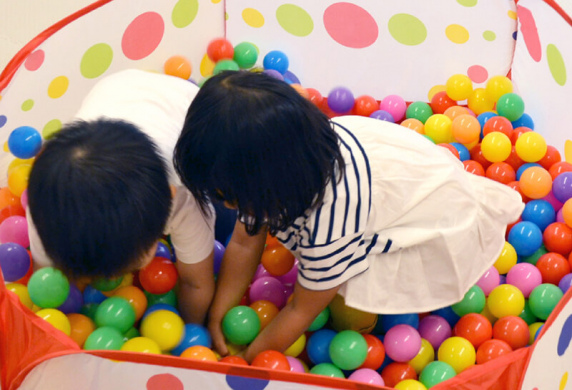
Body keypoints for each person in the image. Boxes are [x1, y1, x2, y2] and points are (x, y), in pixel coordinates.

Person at [173, 70, 525, 362]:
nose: (228, 206)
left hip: (436, 218)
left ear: (266, 186)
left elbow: (301, 307)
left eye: (228, 197)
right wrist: (218, 315)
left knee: (345, 307)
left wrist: (246, 363)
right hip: (389, 182)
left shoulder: (328, 225)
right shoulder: (287, 156)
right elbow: (243, 242)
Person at [27, 69, 215, 325]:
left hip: (189, 107)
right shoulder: (47, 210)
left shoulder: (185, 197)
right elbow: (46, 281)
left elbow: (196, 283)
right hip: (113, 90)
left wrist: (192, 335)